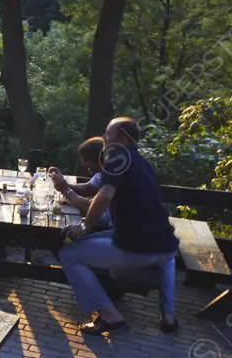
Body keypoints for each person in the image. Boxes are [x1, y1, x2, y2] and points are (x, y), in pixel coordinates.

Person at [58, 117, 179, 335]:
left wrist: (85, 226)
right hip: (167, 248)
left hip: (136, 248)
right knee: (164, 253)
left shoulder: (117, 155)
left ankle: (110, 316)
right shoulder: (142, 162)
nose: (104, 139)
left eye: (108, 134)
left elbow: (104, 195)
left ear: (122, 138)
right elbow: (95, 189)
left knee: (69, 254)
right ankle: (168, 315)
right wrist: (66, 187)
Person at [48, 137, 111, 232]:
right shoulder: (101, 174)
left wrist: (65, 190)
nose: (82, 164)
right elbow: (86, 189)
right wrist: (63, 182)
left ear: (98, 160)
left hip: (110, 230)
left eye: (85, 160)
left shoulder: (112, 177)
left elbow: (89, 206)